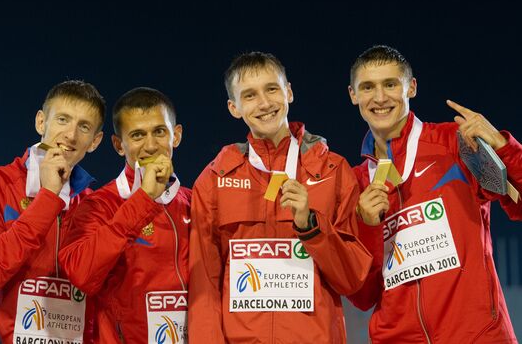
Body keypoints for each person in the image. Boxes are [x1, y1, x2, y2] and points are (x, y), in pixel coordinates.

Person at [188, 51, 372, 343]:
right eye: (249, 95)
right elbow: (205, 285)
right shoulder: (214, 180)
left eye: (272, 89)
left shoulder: (334, 171)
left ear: (288, 92)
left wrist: (311, 226)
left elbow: (351, 279)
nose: (264, 103)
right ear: (233, 107)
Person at [347, 45, 521, 343]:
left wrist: (504, 147)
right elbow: (363, 296)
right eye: (368, 87)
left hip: (476, 335)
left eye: (390, 84)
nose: (379, 97)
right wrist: (367, 226)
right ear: (353, 95)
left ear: (411, 87)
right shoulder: (354, 182)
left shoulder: (454, 144)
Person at [0, 80, 105, 344]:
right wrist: (48, 198)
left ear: (95, 141)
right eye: (63, 120)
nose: (71, 135)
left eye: (84, 127)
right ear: (41, 122)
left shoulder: (97, 207)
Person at [59, 87, 191, 343]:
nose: (151, 145)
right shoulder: (98, 204)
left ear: (176, 136)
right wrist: (143, 200)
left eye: (159, 132)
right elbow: (80, 276)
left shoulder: (196, 203)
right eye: (138, 135)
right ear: (119, 145)